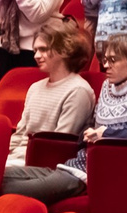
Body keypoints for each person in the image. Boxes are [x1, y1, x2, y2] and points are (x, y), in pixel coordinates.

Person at [4, 33, 127, 201]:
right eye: (105, 60)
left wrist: (106, 134)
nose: (106, 65)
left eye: (113, 60)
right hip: (75, 165)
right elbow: (95, 126)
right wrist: (87, 134)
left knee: (10, 188)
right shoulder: (108, 86)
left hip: (98, 173)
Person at [5, 23, 97, 171]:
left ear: (64, 50)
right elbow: (20, 133)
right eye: (35, 50)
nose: (36, 56)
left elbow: (57, 144)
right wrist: (2, 156)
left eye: (43, 49)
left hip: (43, 166)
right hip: (17, 160)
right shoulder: (35, 88)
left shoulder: (78, 90)